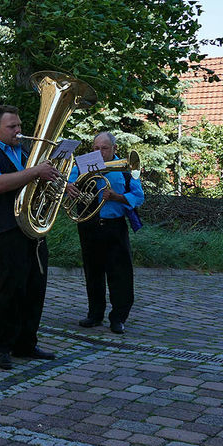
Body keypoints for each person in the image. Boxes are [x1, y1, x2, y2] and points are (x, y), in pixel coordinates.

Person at [0, 105, 65, 370]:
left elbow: (35, 183)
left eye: (20, 125)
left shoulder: (24, 151)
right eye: (12, 127)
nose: (19, 131)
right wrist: (35, 171)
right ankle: (2, 346)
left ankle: (26, 343)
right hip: (6, 232)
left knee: (35, 289)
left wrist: (58, 182)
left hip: (32, 231)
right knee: (10, 292)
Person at [69, 132, 145, 334]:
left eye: (104, 148)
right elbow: (69, 182)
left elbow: (138, 197)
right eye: (95, 148)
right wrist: (69, 187)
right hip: (89, 224)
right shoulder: (83, 165)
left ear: (114, 149)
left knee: (120, 273)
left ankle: (119, 317)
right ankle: (95, 314)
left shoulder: (126, 170)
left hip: (114, 226)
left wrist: (117, 197)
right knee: (92, 272)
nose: (99, 152)